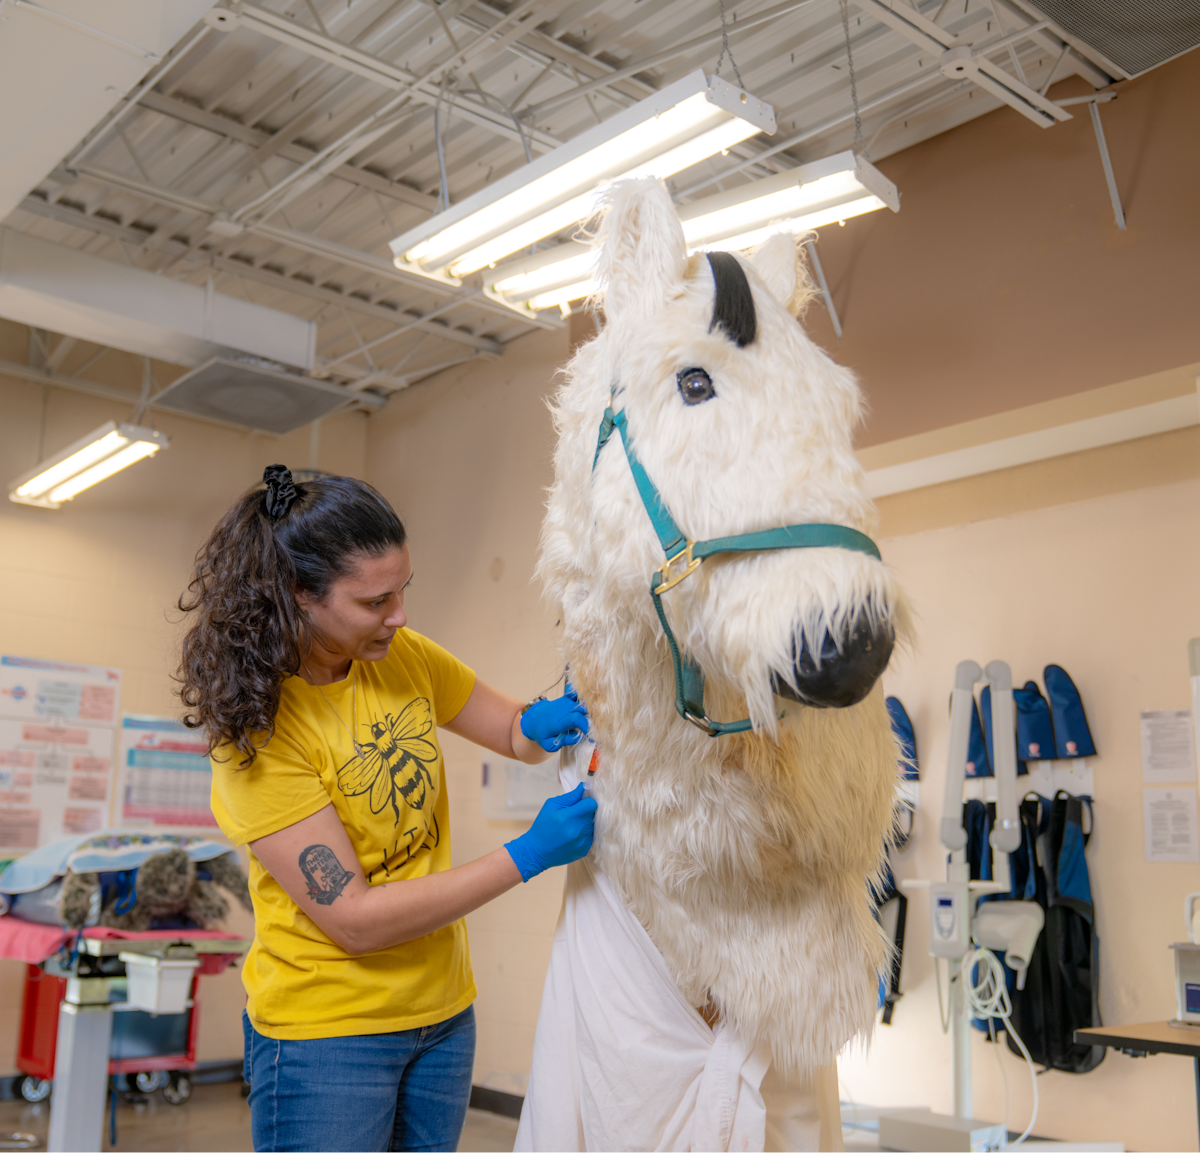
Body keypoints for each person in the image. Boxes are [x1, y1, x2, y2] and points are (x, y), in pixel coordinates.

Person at [177, 465, 595, 1153]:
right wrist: (526, 854)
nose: (399, 615)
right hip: (327, 1035)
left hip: (443, 1016)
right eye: (375, 601)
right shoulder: (260, 733)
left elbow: (513, 731)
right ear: (299, 596)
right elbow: (357, 921)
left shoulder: (403, 658)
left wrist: (542, 720)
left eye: (403, 590)